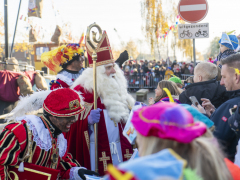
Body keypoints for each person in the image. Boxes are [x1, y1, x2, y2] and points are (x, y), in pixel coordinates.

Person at [66, 30, 135, 176]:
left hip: (120, 149)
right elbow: (69, 125)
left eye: (113, 67)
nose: (113, 72)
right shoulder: (82, 91)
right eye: (108, 68)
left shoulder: (117, 88)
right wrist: (87, 121)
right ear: (97, 72)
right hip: (95, 151)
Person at [106, 103, 233, 180]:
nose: (138, 145)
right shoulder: (217, 168)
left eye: (139, 139)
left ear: (151, 140)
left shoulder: (131, 174)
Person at [0, 88, 99, 180]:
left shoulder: (58, 137)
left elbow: (60, 168)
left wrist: (77, 171)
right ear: (53, 115)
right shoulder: (22, 130)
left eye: (74, 115)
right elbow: (2, 164)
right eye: (68, 116)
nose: (73, 120)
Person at [196, 54, 240, 162]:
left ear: (236, 77)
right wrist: (216, 113)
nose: (221, 82)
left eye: (224, 77)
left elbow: (213, 142)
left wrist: (202, 116)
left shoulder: (230, 105)